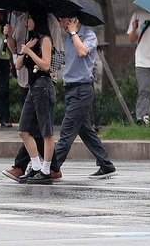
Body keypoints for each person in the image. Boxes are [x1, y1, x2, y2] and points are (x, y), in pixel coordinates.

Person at [44, 14, 117, 178]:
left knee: (66, 132)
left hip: (82, 90)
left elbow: (83, 52)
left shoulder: (89, 36)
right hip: (70, 90)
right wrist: (49, 68)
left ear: (74, 20)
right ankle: (106, 164)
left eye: (64, 20)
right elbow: (61, 60)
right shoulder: (67, 40)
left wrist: (74, 34)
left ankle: (51, 168)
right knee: (86, 132)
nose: (62, 24)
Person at [14, 11, 56, 184]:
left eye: (29, 18)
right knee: (23, 130)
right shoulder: (30, 41)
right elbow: (17, 65)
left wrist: (30, 52)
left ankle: (46, 170)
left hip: (43, 85)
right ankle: (36, 166)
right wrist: (25, 51)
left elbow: (46, 65)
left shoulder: (45, 40)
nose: (26, 22)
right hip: (33, 88)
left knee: (46, 131)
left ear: (37, 20)